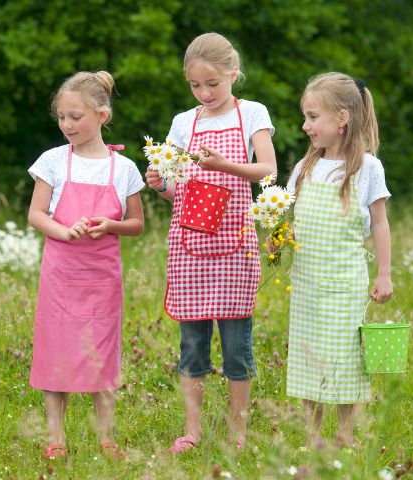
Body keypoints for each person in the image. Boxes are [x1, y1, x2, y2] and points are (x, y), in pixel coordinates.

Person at [145, 32, 277, 453]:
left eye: (213, 84)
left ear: (233, 75)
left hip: (235, 246)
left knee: (237, 347)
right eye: (196, 85)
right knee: (192, 347)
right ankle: (192, 431)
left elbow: (268, 169)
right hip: (190, 248)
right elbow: (178, 191)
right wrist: (159, 183)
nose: (204, 93)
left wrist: (224, 165)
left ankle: (238, 434)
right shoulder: (185, 122)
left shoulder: (252, 113)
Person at [27, 71, 145, 460]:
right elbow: (36, 215)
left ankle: (106, 436)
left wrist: (111, 226)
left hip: (101, 280)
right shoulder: (53, 161)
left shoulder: (124, 168)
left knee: (101, 352)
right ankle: (56, 437)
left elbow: (137, 224)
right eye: (61, 117)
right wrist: (63, 232)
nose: (67, 125)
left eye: (75, 116)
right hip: (61, 275)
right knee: (55, 350)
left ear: (102, 115)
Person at [285, 72, 393, 448]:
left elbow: (379, 222)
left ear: (342, 119)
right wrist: (278, 238)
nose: (305, 125)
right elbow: (290, 218)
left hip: (344, 286)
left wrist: (384, 275)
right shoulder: (305, 168)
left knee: (345, 359)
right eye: (306, 116)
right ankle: (312, 434)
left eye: (313, 116)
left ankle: (345, 434)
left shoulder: (367, 168)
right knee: (307, 356)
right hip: (307, 284)